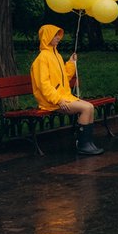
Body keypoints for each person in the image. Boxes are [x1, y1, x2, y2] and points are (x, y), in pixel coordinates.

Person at [30, 24, 103, 155]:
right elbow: (43, 84)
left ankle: (87, 143)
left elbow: (64, 78)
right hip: (52, 102)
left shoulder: (56, 55)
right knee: (86, 108)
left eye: (59, 35)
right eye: (55, 35)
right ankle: (82, 145)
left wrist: (70, 63)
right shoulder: (42, 59)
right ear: (47, 37)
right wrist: (58, 100)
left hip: (63, 97)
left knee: (90, 107)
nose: (58, 37)